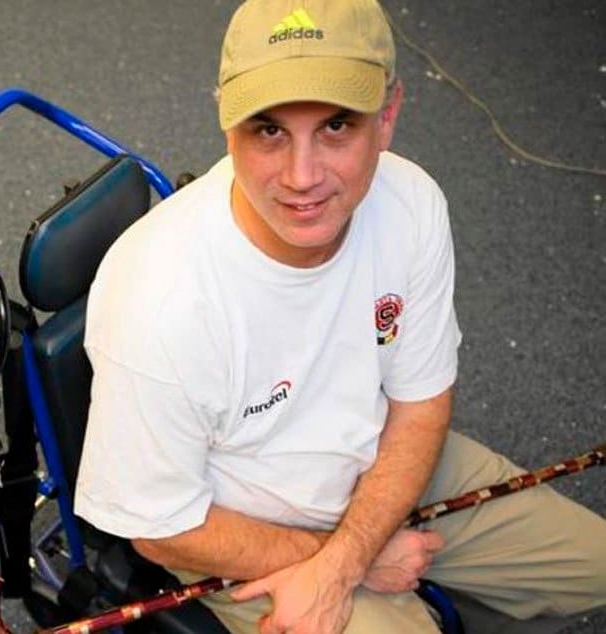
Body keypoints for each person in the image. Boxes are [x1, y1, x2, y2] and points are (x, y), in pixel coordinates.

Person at [72, 0, 606, 632]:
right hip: (238, 531)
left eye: (336, 127)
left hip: (382, 463)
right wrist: (347, 560)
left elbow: (420, 403)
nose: (302, 177)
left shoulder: (411, 204)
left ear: (388, 117)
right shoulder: (157, 302)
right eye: (269, 130)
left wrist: (350, 553)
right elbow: (162, 531)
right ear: (226, 122)